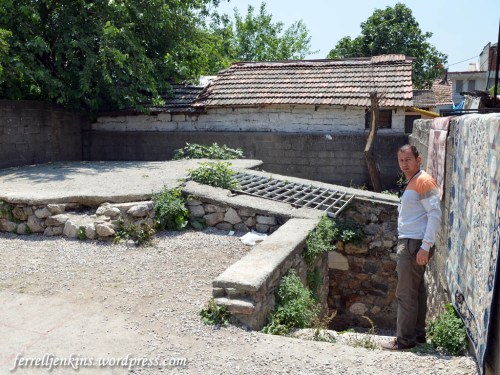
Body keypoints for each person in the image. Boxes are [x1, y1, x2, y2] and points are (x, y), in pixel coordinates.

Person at [382, 144, 442, 350]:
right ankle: (417, 335)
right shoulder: (414, 181)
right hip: (413, 242)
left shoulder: (423, 180)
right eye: (401, 160)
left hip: (414, 243)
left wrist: (425, 246)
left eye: (408, 159)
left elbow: (435, 214)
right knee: (417, 292)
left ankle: (405, 340)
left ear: (419, 159)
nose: (404, 164)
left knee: (406, 294)